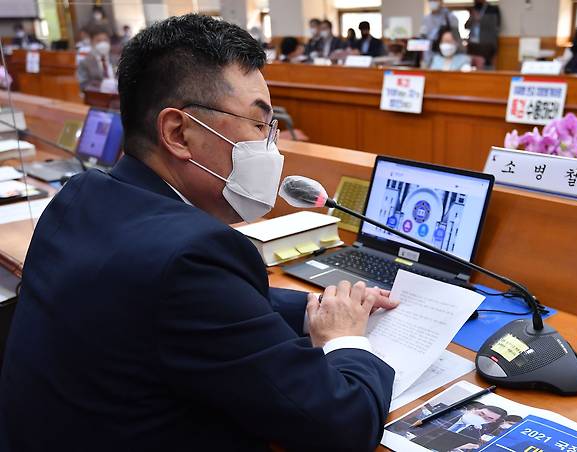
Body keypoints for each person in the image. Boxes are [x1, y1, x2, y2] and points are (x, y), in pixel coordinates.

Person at [0, 14, 398, 451]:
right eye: (259, 124)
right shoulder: (191, 256)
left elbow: (186, 306)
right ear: (178, 132)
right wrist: (345, 339)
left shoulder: (81, 195)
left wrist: (309, 308)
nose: (271, 147)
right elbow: (344, 422)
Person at [466, 0, 501, 67]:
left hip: (486, 45)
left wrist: (480, 19)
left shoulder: (492, 9)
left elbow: (496, 26)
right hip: (473, 45)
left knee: (486, 67)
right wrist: (472, 18)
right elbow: (466, 26)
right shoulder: (475, 8)